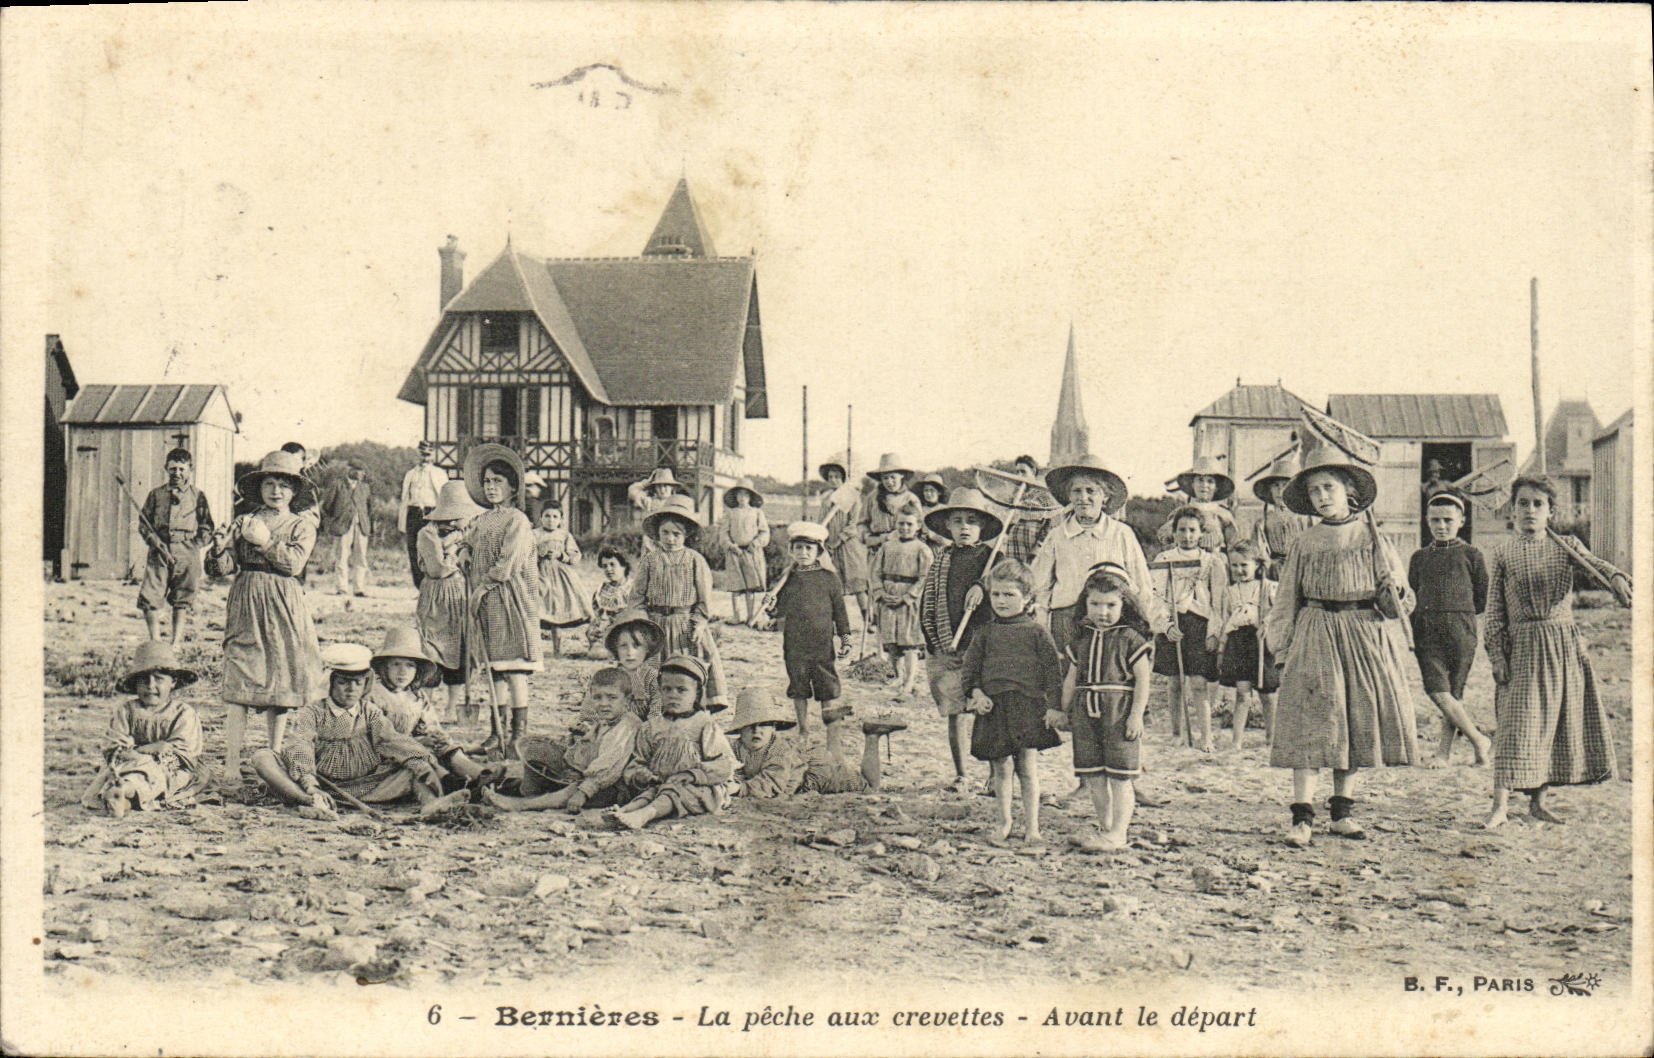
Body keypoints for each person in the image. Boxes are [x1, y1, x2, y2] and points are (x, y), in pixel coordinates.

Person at [1263, 434, 1418, 847]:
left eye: (1328, 487)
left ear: (1350, 491)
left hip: (1363, 633)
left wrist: (1393, 591)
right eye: (1313, 491)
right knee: (1312, 719)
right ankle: (1301, 818)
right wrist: (1281, 648)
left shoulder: (1375, 541)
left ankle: (1342, 812)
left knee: (1353, 719)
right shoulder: (1304, 542)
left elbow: (1398, 606)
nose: (1320, 497)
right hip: (1315, 630)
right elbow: (1285, 601)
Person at [1482, 477, 1620, 829]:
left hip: (1562, 646)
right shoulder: (1502, 553)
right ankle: (1499, 806)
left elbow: (1599, 568)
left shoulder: (1567, 545)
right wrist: (1497, 655)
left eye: (1538, 504)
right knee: (1514, 724)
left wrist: (1618, 577)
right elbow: (1495, 609)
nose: (1530, 510)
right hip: (1522, 647)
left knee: (1553, 724)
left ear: (1550, 511)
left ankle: (1537, 804)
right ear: (1512, 510)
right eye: (1523, 503)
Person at [208, 449, 326, 787]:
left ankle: (273, 758)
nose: (276, 491)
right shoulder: (244, 520)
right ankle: (231, 764)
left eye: (284, 486)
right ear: (260, 487)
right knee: (241, 678)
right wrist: (219, 549)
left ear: (294, 492)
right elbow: (224, 568)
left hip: (283, 604)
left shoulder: (301, 525)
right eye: (270, 483)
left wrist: (265, 541)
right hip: (246, 599)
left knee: (280, 681)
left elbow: (292, 565)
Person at [250, 644, 444, 817]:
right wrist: (311, 786)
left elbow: (391, 740)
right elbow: (301, 746)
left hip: (366, 784)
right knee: (263, 757)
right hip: (320, 783)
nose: (351, 689)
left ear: (365, 685)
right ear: (331, 683)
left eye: (358, 683)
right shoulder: (313, 712)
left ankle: (431, 805)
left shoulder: (370, 712)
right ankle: (310, 802)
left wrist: (422, 762)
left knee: (413, 769)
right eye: (343, 682)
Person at [1051, 563, 1154, 851]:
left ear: (1125, 604)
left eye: (1111, 605)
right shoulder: (1081, 639)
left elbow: (1143, 681)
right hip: (1086, 713)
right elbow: (1071, 678)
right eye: (1095, 603)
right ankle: (1105, 827)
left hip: (1118, 712)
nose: (1102, 611)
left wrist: (1136, 716)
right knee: (1094, 775)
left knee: (1120, 777)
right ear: (1085, 603)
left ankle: (1119, 832)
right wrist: (1063, 710)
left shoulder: (1131, 639)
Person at [960, 559, 1063, 846]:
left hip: (1027, 707)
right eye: (996, 594)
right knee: (1001, 768)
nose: (1001, 601)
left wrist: (1054, 707)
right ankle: (1004, 822)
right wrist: (977, 695)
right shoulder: (984, 633)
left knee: (1027, 768)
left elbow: (1053, 672)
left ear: (1027, 597)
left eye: (1010, 595)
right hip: (994, 707)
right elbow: (969, 672)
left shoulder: (1037, 632)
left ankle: (1032, 827)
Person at [1030, 454, 1159, 660]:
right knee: (1067, 682)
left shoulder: (1121, 533)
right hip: (1066, 620)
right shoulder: (1057, 536)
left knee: (1106, 677)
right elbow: (1040, 586)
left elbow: (1142, 585)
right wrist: (1042, 622)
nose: (1083, 498)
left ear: (1105, 497)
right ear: (1069, 497)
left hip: (1111, 620)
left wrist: (1141, 624)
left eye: (1091, 491)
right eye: (1077, 491)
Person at [917, 488, 1003, 791]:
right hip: (948, 644)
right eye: (958, 521)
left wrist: (984, 585)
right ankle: (962, 774)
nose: (965, 527)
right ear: (949, 527)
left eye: (971, 521)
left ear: (982, 527)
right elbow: (928, 601)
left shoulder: (993, 558)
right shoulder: (941, 560)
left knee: (988, 712)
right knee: (955, 712)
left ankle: (995, 776)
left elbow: (1009, 589)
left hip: (982, 645)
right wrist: (932, 640)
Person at [461, 443, 543, 754]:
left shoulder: (517, 520)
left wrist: (484, 585)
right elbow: (467, 541)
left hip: (511, 601)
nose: (491, 487)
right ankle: (497, 733)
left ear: (511, 487)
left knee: (514, 668)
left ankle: (518, 735)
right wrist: (464, 551)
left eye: (497, 481)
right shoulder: (482, 520)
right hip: (487, 604)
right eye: (487, 482)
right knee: (494, 667)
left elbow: (507, 563)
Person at [1407, 490, 1494, 767]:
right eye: (1435, 520)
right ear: (1426, 522)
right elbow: (1411, 594)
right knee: (1437, 690)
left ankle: (1443, 754)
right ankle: (1478, 739)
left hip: (1461, 628)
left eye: (1447, 520)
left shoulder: (1472, 555)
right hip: (1426, 629)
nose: (1441, 526)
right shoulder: (1419, 557)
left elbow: (1482, 597)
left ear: (1461, 521)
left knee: (1454, 692)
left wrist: (1459, 613)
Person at [606, 655, 737, 830]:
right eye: (667, 689)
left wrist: (692, 775)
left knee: (674, 792)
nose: (673, 695)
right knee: (650, 793)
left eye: (681, 690)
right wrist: (640, 774)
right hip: (660, 783)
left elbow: (724, 765)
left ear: (697, 693)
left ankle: (644, 815)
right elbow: (638, 760)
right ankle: (624, 811)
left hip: (697, 787)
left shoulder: (704, 725)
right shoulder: (651, 727)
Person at [80, 641, 210, 816]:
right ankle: (124, 797)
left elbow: (184, 752)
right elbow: (114, 745)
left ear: (173, 682)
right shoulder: (127, 710)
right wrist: (145, 750)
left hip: (171, 769)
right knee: (123, 771)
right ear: (135, 684)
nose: (151, 685)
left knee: (155, 775)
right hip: (131, 762)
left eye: (159, 679)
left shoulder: (183, 713)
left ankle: (125, 791)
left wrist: (144, 752)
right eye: (144, 680)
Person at [488, 667, 644, 813]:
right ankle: (520, 788)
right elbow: (585, 747)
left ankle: (523, 804)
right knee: (537, 749)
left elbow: (609, 766)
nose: (604, 704)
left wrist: (584, 792)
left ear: (627, 700)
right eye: (597, 697)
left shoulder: (627, 725)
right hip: (586, 775)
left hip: (610, 786)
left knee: (571, 790)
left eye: (611, 698)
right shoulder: (605, 721)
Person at [628, 495, 730, 709]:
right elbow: (637, 597)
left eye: (676, 534)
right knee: (651, 671)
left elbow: (704, 600)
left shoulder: (695, 560)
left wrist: (700, 623)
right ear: (658, 533)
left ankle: (691, 710)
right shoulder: (649, 560)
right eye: (665, 533)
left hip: (684, 625)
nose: (670, 539)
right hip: (654, 626)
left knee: (686, 670)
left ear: (686, 535)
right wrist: (640, 624)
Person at [764, 522, 854, 757]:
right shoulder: (787, 580)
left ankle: (831, 732)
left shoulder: (829, 579)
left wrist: (845, 640)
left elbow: (840, 613)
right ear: (791, 551)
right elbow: (778, 611)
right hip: (794, 643)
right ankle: (803, 729)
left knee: (827, 688)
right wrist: (770, 607)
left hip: (822, 644)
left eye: (809, 549)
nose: (803, 553)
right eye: (799, 548)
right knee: (799, 686)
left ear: (818, 553)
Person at [365, 625, 494, 788]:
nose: (402, 672)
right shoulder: (376, 695)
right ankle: (449, 782)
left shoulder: (416, 696)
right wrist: (418, 741)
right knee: (419, 753)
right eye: (396, 664)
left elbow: (428, 725)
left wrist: (434, 735)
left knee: (443, 745)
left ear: (417, 670)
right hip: (386, 751)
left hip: (413, 745)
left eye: (409, 665)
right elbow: (382, 736)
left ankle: (479, 774)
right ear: (385, 666)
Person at [727, 687, 903, 798]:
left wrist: (740, 789)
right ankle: (833, 723)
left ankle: (872, 736)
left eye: (763, 725)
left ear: (774, 727)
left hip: (818, 775)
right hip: (811, 759)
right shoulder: (735, 747)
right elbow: (727, 766)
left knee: (868, 787)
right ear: (740, 729)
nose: (756, 731)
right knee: (836, 761)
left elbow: (772, 784)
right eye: (750, 726)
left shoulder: (779, 750)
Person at [1151, 506, 1224, 752]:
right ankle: (1177, 733)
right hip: (1174, 623)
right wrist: (1166, 625)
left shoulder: (1211, 562)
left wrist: (1214, 632)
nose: (1187, 535)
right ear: (1173, 533)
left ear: (1201, 533)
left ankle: (1206, 736)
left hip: (1199, 624)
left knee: (1199, 683)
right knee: (1174, 682)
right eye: (1181, 530)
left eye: (1192, 530)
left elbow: (1218, 602)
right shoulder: (1164, 560)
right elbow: (1157, 598)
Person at [416, 480, 483, 722]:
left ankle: (453, 708)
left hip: (460, 595)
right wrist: (456, 555)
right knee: (433, 649)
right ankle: (428, 707)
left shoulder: (468, 534)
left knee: (461, 649)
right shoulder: (427, 534)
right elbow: (437, 568)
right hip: (436, 595)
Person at [136, 448, 215, 645]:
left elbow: (207, 526)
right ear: (166, 469)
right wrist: (153, 541)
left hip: (187, 551)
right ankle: (155, 641)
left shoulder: (198, 496)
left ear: (190, 470)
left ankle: (176, 642)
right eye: (172, 469)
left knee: (182, 597)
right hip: (159, 551)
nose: (177, 473)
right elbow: (144, 524)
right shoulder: (156, 495)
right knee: (150, 596)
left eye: (181, 469)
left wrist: (195, 545)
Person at [1209, 540, 1279, 750]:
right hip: (1239, 642)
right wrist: (1222, 647)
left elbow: (1279, 610)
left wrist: (1267, 622)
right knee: (1242, 694)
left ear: (1257, 565)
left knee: (1267, 694)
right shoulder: (1230, 592)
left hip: (1261, 642)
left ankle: (1271, 737)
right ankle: (1237, 740)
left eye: (1244, 565)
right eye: (1234, 565)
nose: (1239, 570)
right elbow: (1225, 618)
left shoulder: (1267, 587)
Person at [871, 512, 933, 698]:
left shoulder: (922, 549)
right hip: (888, 596)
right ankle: (897, 677)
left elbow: (925, 577)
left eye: (909, 524)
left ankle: (909, 682)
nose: (905, 528)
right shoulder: (887, 547)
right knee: (891, 642)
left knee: (909, 643)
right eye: (901, 523)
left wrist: (908, 596)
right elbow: (875, 572)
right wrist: (880, 592)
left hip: (909, 599)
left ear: (918, 526)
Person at [817, 453, 872, 625]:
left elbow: (853, 524)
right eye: (830, 477)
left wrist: (839, 540)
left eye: (837, 477)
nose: (833, 480)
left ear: (843, 478)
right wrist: (824, 540)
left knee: (858, 584)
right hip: (830, 546)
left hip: (849, 545)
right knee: (834, 585)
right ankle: (836, 623)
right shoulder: (826, 498)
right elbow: (822, 521)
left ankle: (868, 622)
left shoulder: (852, 496)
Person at [534, 503, 590, 656]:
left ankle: (557, 649)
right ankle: (533, 647)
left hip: (560, 576)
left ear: (560, 520)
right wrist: (539, 555)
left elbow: (575, 556)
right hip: (540, 574)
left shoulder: (564, 535)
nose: (551, 520)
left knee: (557, 608)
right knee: (538, 608)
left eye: (555, 517)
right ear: (541, 518)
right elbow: (526, 554)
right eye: (547, 516)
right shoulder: (534, 534)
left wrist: (561, 556)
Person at [714, 479, 771, 627]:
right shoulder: (730, 513)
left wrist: (756, 543)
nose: (742, 498)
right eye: (739, 495)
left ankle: (751, 616)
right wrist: (730, 546)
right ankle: (737, 616)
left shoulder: (757, 513)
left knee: (750, 587)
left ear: (750, 497)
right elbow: (723, 533)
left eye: (745, 495)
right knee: (736, 586)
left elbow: (764, 532)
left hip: (752, 553)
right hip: (735, 553)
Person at [1251, 452, 1316, 578]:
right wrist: (1268, 564)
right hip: (1274, 571)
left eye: (1285, 485)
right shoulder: (1263, 521)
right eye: (1276, 486)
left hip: (1301, 568)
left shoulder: (1305, 518)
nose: (1280, 491)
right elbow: (1257, 548)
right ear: (1270, 490)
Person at [1158, 456, 1238, 554]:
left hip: (1214, 562)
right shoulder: (1180, 513)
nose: (1204, 485)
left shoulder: (1224, 514)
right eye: (1200, 480)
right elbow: (1165, 537)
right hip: (1185, 561)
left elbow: (1234, 546)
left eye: (1210, 481)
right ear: (1192, 484)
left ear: (1216, 487)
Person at [400, 440, 450, 588]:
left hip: (431, 513)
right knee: (413, 550)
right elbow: (405, 498)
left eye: (428, 454)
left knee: (432, 549)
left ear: (432, 455)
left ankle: (433, 586)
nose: (425, 458)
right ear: (418, 454)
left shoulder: (439, 474)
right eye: (422, 454)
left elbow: (444, 497)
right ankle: (420, 587)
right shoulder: (410, 474)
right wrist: (402, 521)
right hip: (413, 513)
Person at [859, 453, 924, 565]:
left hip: (904, 552)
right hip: (877, 551)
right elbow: (861, 524)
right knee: (875, 580)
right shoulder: (872, 498)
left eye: (893, 477)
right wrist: (871, 538)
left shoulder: (911, 499)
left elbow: (920, 526)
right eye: (885, 478)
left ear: (901, 476)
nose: (889, 482)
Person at [997, 455, 1062, 568]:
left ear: (1033, 471)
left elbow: (1050, 524)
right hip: (1014, 543)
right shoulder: (1016, 495)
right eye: (1017, 472)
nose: (1020, 475)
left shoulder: (1043, 494)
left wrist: (1037, 548)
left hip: (1031, 544)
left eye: (1023, 471)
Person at [322, 463, 373, 597]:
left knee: (361, 557)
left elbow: (369, 507)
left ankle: (359, 588)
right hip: (342, 526)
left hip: (361, 526)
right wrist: (338, 517)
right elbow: (327, 505)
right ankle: (342, 588)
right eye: (358, 471)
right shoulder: (338, 485)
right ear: (350, 470)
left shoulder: (365, 487)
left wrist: (365, 521)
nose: (361, 474)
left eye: (362, 471)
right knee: (342, 556)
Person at [605, 609, 665, 720]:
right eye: (623, 646)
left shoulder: (651, 675)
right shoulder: (610, 677)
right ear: (616, 649)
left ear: (647, 649)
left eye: (636, 646)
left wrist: (651, 724)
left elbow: (657, 703)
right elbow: (595, 702)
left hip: (643, 727)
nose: (629, 653)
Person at [627, 467, 689, 554]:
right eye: (659, 486)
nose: (662, 489)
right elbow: (632, 490)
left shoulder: (678, 502)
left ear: (672, 487)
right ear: (655, 488)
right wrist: (647, 482)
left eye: (666, 485)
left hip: (671, 543)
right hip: (652, 543)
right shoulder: (649, 501)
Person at [586, 548, 634, 657]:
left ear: (623, 566)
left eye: (612, 565)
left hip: (627, 629)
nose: (608, 569)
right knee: (596, 652)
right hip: (605, 631)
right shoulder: (602, 590)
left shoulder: (634, 589)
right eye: (605, 566)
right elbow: (598, 616)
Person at [913, 473, 952, 551]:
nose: (928, 494)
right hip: (922, 547)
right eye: (926, 490)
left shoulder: (945, 510)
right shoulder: (919, 510)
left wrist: (933, 536)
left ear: (939, 492)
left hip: (942, 548)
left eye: (932, 490)